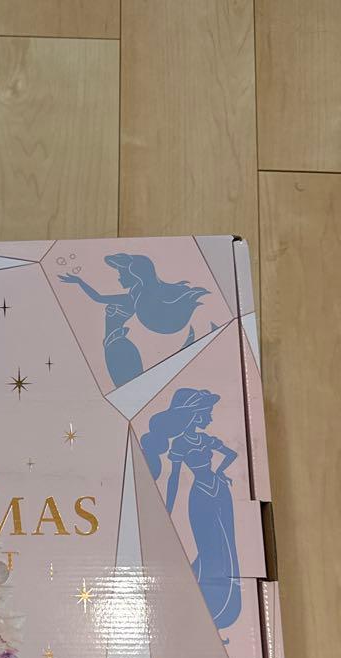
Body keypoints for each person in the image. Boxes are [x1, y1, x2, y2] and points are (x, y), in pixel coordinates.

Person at [141, 387, 241, 632]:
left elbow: (232, 453)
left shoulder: (205, 439)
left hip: (220, 492)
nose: (211, 418)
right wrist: (167, 508)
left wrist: (220, 471)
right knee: (207, 547)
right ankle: (202, 605)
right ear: (195, 415)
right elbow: (174, 478)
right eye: (207, 413)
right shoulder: (180, 444)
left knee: (227, 543)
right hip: (200, 496)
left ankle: (227, 601)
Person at [59, 253, 209, 387]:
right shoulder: (132, 298)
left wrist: (79, 282)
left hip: (119, 347)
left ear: (135, 276)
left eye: (121, 273)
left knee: (127, 390)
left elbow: (98, 298)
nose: (119, 277)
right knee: (127, 390)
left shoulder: (129, 300)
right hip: (114, 344)